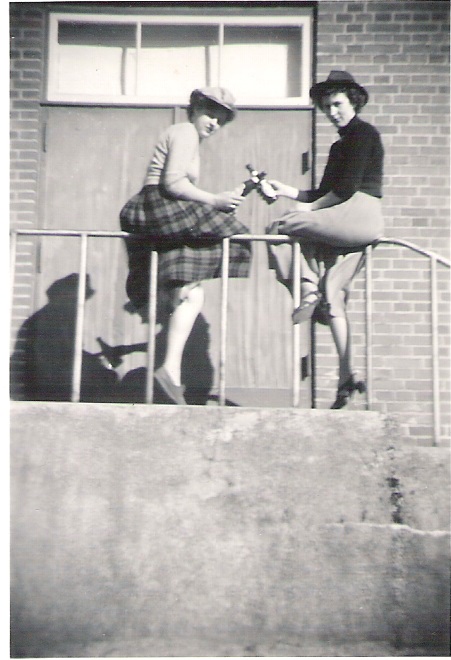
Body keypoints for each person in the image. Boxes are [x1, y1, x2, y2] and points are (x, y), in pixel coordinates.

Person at [120, 87, 251, 405]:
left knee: (191, 294)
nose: (214, 123)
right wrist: (216, 200)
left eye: (220, 120)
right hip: (159, 202)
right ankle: (171, 298)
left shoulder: (188, 135)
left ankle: (170, 369)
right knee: (236, 236)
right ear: (194, 110)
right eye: (210, 114)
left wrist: (219, 200)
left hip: (159, 206)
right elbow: (173, 183)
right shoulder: (184, 131)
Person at [266, 70, 384, 409]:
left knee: (278, 229)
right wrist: (285, 190)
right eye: (326, 107)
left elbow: (344, 191)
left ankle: (306, 289)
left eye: (337, 104)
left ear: (354, 102)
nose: (332, 112)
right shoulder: (339, 145)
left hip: (359, 212)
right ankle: (348, 377)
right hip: (345, 216)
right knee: (335, 296)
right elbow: (321, 193)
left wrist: (306, 211)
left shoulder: (362, 134)